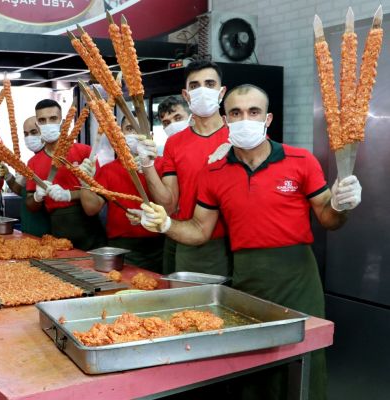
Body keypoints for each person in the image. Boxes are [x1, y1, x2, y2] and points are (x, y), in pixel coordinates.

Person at [140, 84, 362, 400]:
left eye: (254, 112)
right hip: (248, 281)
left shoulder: (300, 160)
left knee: (305, 361)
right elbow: (200, 231)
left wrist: (341, 205)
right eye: (236, 113)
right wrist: (165, 224)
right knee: (254, 368)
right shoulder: (214, 172)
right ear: (226, 119)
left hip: (298, 279)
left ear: (267, 118)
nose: (246, 119)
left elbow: (329, 219)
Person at [138, 60, 231, 276]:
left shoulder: (237, 137)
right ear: (186, 95)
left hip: (239, 242)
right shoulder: (176, 143)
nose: (202, 91)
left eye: (210, 84)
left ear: (221, 91)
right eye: (195, 86)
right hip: (191, 240)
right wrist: (147, 164)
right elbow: (168, 204)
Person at [80, 116, 164, 272]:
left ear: (150, 135)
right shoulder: (108, 170)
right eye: (129, 129)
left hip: (160, 242)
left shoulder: (163, 165)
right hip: (121, 247)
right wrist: (85, 182)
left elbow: (171, 204)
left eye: (139, 129)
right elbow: (91, 209)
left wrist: (149, 169)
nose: (134, 134)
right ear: (121, 135)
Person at [25, 99, 105, 249]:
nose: (48, 124)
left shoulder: (85, 152)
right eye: (42, 120)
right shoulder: (33, 163)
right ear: (37, 124)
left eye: (53, 119)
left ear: (62, 121)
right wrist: (37, 197)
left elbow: (100, 195)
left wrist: (69, 195)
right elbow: (31, 205)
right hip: (57, 230)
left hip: (90, 229)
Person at [0, 116, 51, 236]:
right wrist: (8, 175)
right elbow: (20, 190)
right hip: (30, 225)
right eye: (26, 134)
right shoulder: (31, 162)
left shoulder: (53, 161)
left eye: (34, 132)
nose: (29, 137)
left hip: (46, 227)